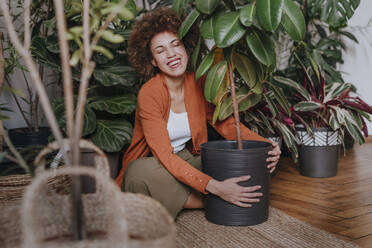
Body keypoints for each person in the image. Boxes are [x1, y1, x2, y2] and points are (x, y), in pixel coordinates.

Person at [115, 7, 281, 219]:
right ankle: (204, 202)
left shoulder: (199, 82)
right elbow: (164, 156)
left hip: (187, 158)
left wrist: (266, 146)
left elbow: (226, 124)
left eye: (176, 44)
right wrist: (215, 187)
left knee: (231, 160)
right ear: (153, 61)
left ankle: (184, 194)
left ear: (186, 47)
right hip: (154, 163)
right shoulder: (150, 93)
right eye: (160, 50)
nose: (171, 54)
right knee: (138, 173)